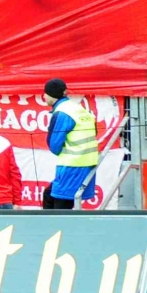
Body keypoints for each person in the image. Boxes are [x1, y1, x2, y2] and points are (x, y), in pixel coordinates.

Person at [43, 79, 100, 209]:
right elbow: (94, 132)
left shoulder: (62, 112)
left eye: (45, 93)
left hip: (72, 165)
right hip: (87, 163)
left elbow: (54, 146)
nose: (44, 96)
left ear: (51, 95)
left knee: (61, 207)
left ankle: (56, 229)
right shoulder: (78, 108)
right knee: (49, 195)